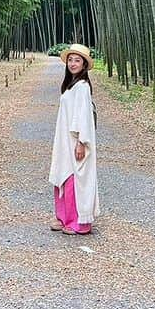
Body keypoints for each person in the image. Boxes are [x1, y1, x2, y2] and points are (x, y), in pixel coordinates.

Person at [48, 43, 100, 235]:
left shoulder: (83, 87)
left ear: (84, 64)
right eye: (70, 60)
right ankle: (64, 217)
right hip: (64, 140)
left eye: (77, 60)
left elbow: (84, 116)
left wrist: (81, 142)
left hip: (75, 140)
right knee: (63, 176)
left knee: (74, 179)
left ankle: (78, 222)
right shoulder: (71, 86)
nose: (73, 63)